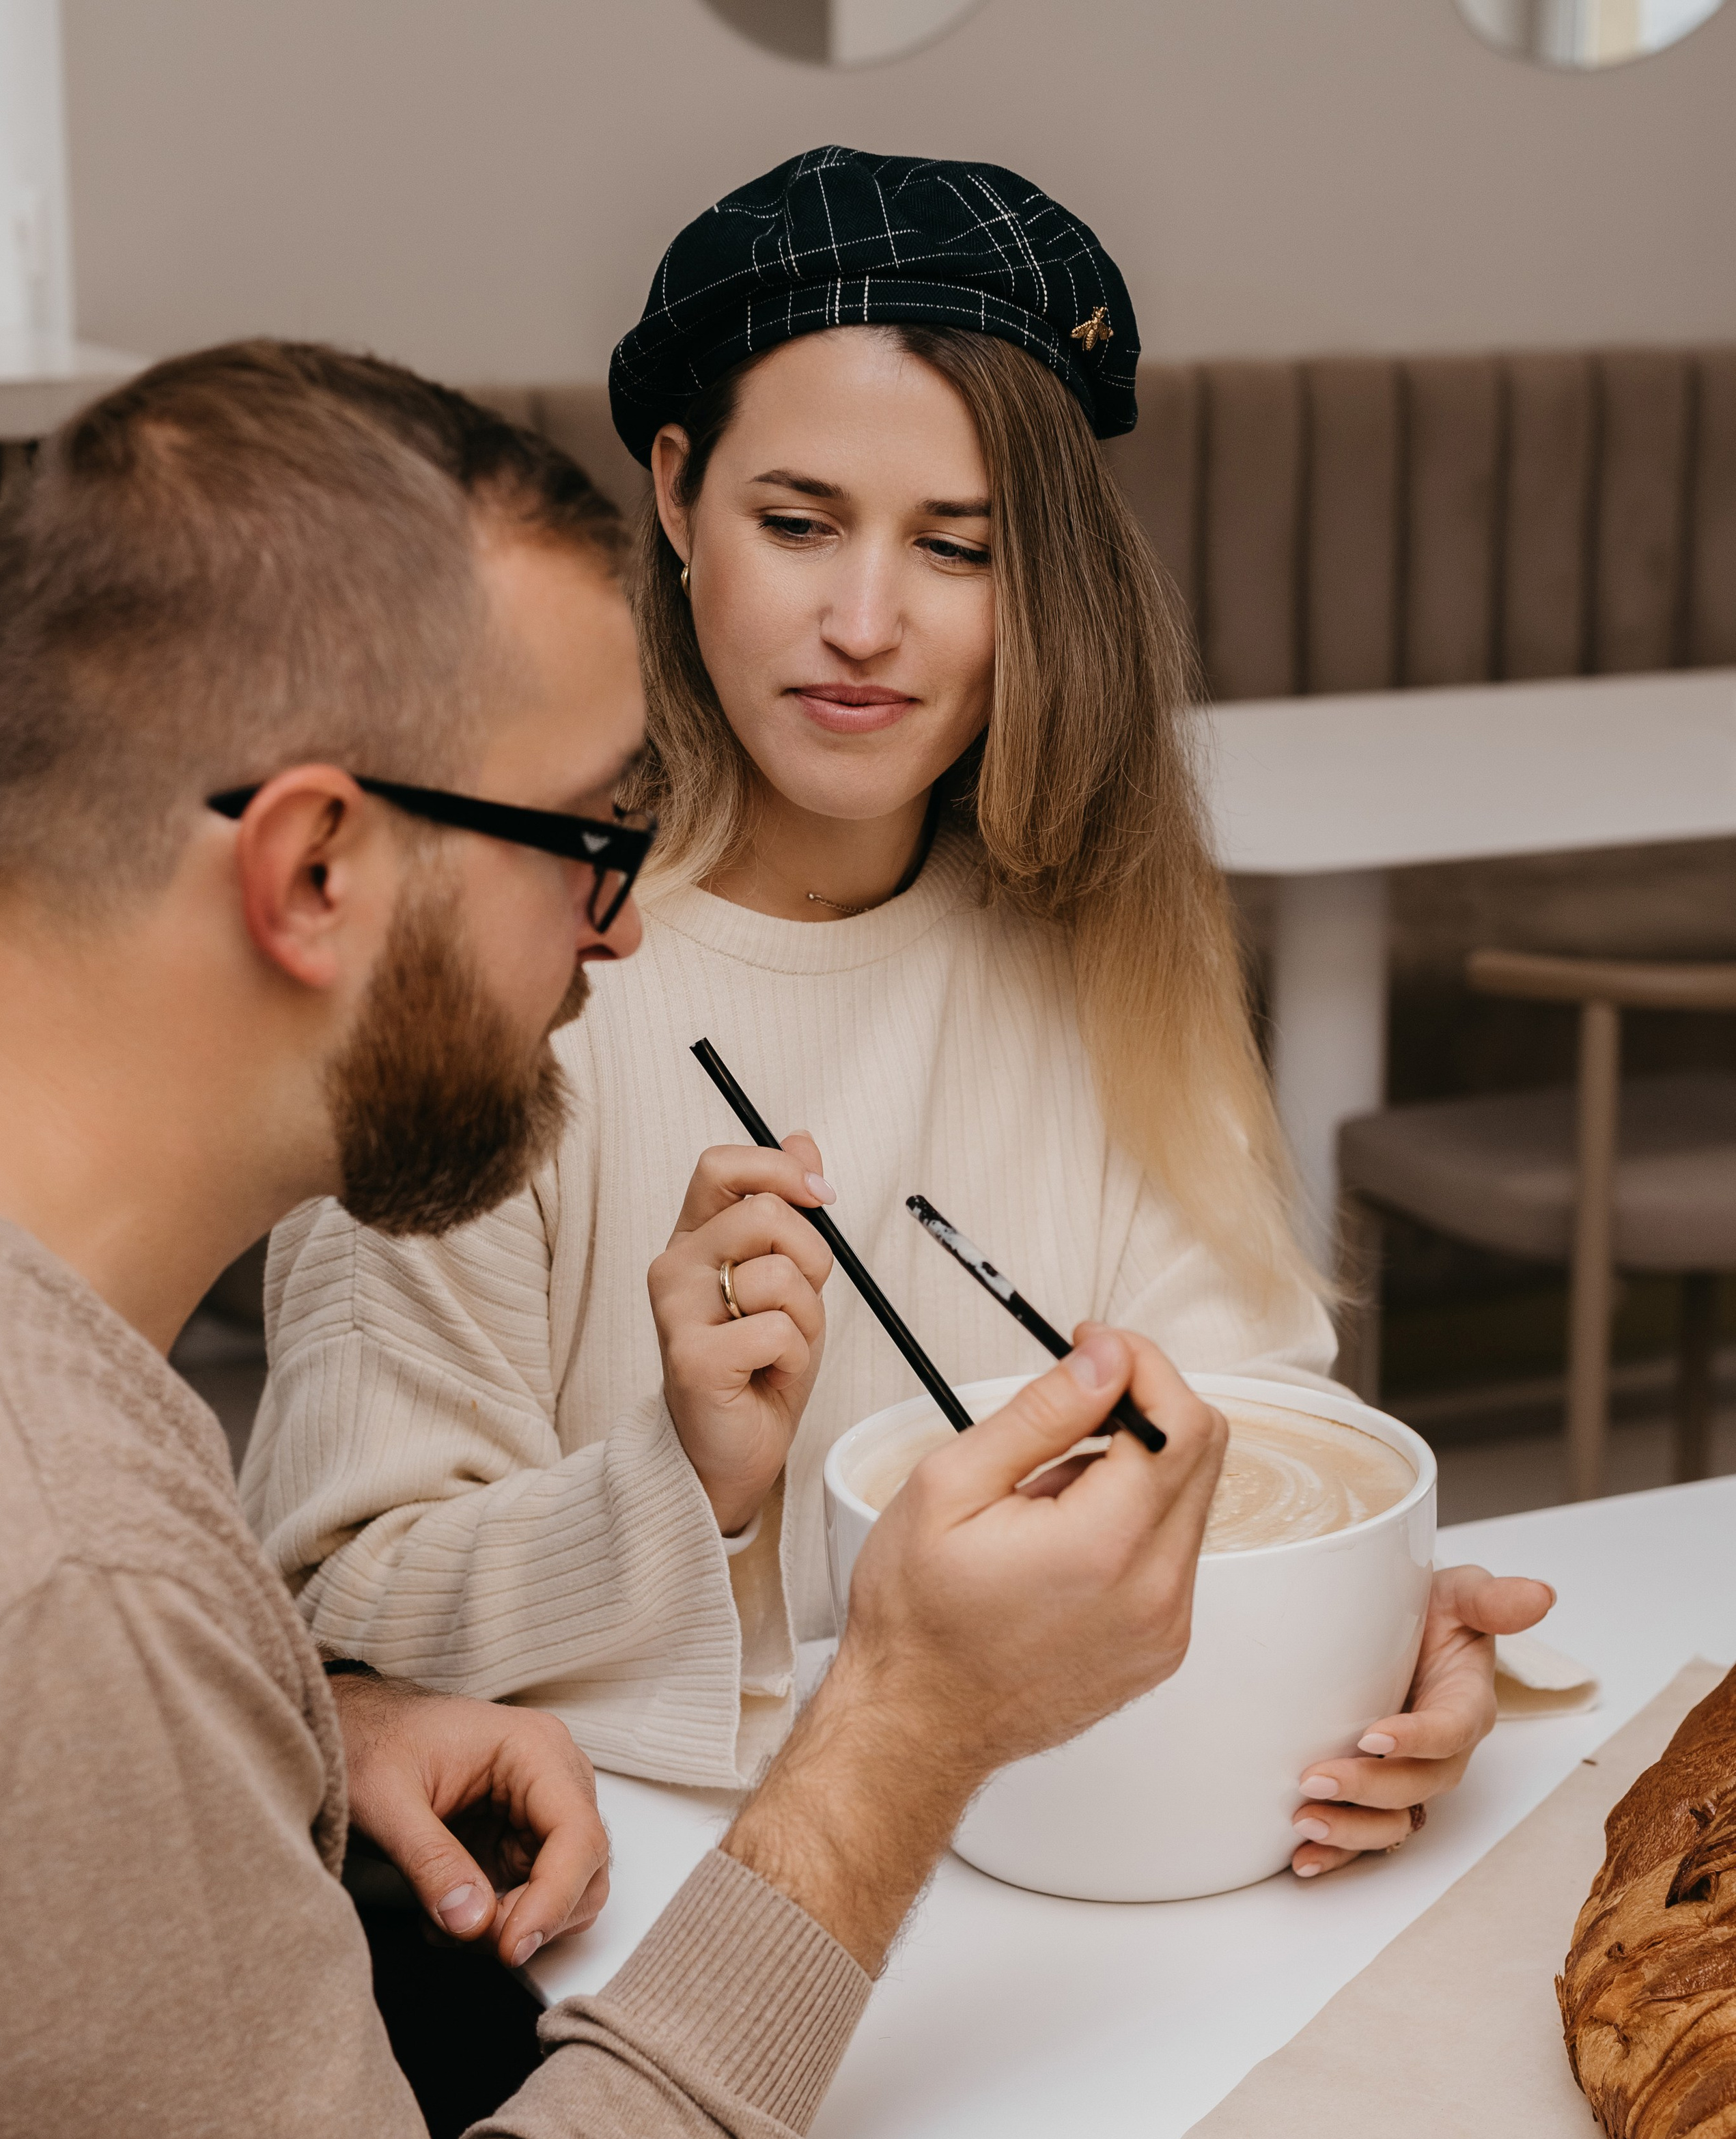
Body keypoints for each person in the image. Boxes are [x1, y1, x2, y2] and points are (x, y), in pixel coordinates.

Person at [0, 339, 1225, 2139]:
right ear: (316, 867)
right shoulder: (63, 1571)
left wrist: (304, 1715)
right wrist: (897, 1733)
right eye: (585, 838)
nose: (629, 923)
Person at [250, 151, 1550, 1869]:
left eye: (956, 547)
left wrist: (1382, 1645)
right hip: (644, 1902)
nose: (863, 625)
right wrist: (683, 1470)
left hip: (1068, 1864)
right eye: (796, 525)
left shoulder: (1110, 958)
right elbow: (326, 1611)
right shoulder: (488, 973)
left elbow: (1245, 1469)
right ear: (674, 495)